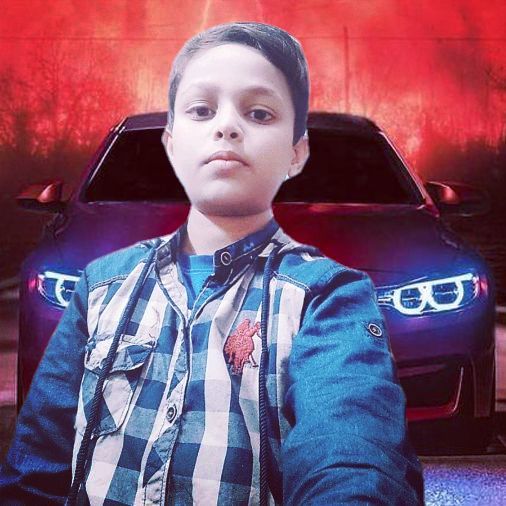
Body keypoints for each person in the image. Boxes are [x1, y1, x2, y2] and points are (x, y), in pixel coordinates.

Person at [0, 21, 424, 505]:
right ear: (172, 145)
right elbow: (34, 476)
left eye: (259, 112)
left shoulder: (328, 297)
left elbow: (350, 455)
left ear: (295, 152)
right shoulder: (99, 285)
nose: (227, 127)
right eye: (202, 110)